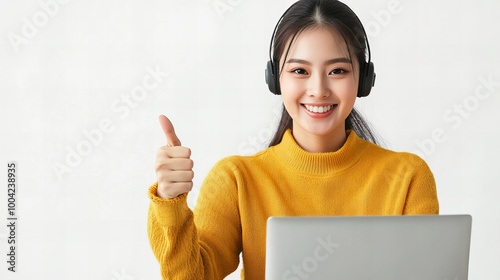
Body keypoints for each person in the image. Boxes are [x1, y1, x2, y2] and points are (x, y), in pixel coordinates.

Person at [147, 0, 439, 279]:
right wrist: (170, 201)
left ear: (363, 79)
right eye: (300, 71)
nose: (318, 89)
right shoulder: (236, 179)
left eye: (337, 71)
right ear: (276, 79)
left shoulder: (408, 177)